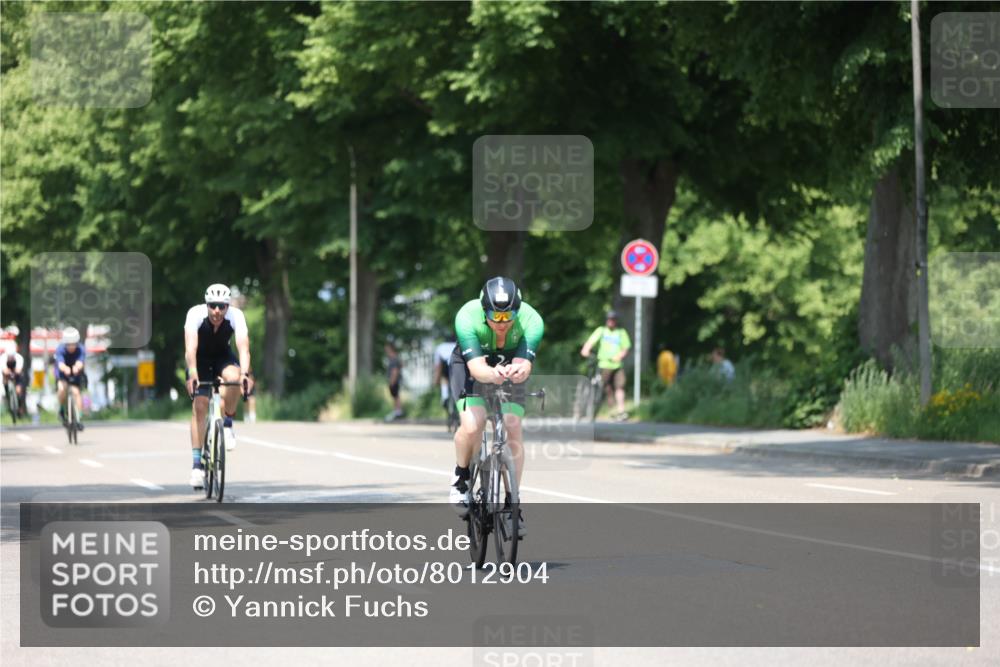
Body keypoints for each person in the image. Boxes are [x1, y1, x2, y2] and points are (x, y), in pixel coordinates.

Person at [449, 276, 543, 537]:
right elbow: (478, 370)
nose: (502, 323)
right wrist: (494, 374)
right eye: (495, 316)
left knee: (513, 425)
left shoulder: (532, 321)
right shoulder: (466, 317)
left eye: (508, 316)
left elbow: (525, 367)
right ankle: (461, 477)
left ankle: (514, 504)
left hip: (508, 369)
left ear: (518, 310)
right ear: (483, 311)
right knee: (473, 424)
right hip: (473, 368)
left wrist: (518, 371)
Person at [184, 284, 254, 490]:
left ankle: (229, 424)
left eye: (222, 306)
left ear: (227, 306)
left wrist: (244, 374)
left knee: (233, 378)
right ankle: (197, 466)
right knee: (200, 405)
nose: (217, 311)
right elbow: (190, 348)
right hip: (199, 359)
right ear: (207, 305)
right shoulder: (195, 314)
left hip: (223, 356)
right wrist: (193, 373)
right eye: (213, 306)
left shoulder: (236, 316)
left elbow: (244, 348)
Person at [580, 310, 631, 421]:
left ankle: (621, 412)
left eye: (613, 319)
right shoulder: (601, 331)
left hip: (617, 365)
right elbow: (591, 341)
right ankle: (602, 408)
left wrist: (620, 356)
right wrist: (586, 349)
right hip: (603, 364)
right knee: (605, 388)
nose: (611, 321)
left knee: (620, 387)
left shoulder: (621, 332)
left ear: (616, 321)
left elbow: (626, 347)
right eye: (609, 319)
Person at [54, 328, 86, 430]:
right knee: (62, 388)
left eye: (73, 344)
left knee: (76, 393)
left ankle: (79, 418)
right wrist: (65, 368)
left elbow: (80, 361)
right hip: (63, 372)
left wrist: (77, 367)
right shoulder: (60, 349)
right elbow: (60, 363)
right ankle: (62, 409)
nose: (71, 346)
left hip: (75, 372)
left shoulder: (81, 349)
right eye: (69, 344)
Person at [1, 345, 27, 417]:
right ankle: (7, 394)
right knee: (4, 379)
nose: (10, 359)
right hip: (7, 373)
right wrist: (8, 372)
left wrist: (15, 372)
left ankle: (19, 406)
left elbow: (19, 370)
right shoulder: (3, 358)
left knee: (19, 391)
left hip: (16, 373)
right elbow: (4, 370)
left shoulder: (19, 358)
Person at [432, 340, 457, 415]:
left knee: (444, 378)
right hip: (456, 363)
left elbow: (438, 366)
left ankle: (445, 396)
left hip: (446, 363)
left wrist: (436, 379)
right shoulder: (457, 344)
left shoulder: (440, 347)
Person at [383, 342, 405, 422]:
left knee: (396, 396)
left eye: (387, 349)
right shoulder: (395, 358)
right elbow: (401, 365)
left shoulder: (394, 359)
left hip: (394, 380)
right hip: (395, 380)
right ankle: (397, 411)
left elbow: (395, 371)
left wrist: (392, 381)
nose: (386, 351)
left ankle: (398, 412)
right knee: (395, 396)